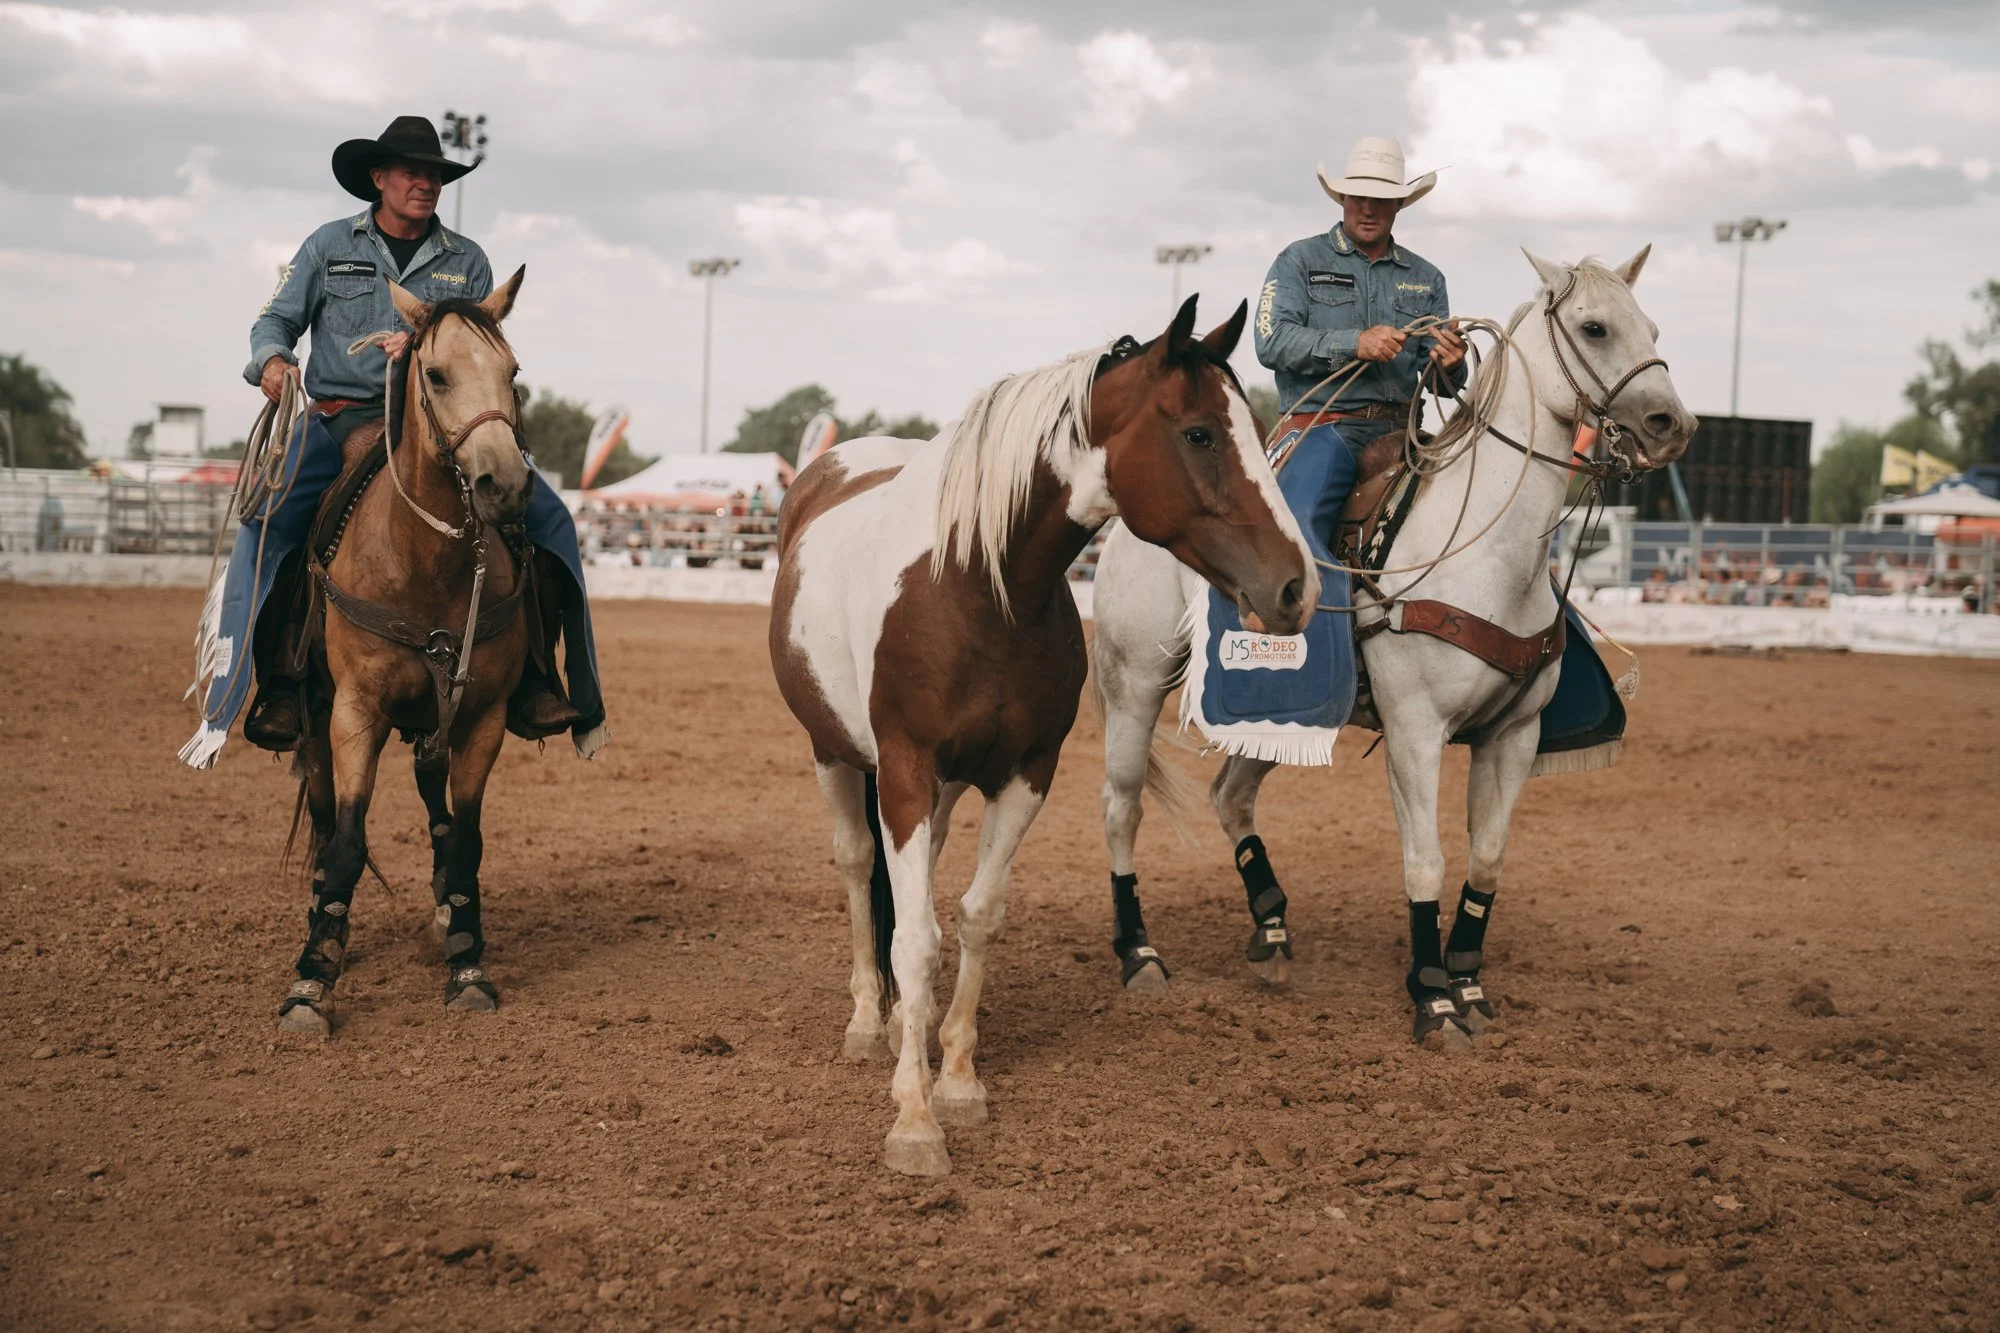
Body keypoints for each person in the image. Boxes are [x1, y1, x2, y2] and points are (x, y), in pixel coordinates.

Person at [183, 116, 603, 768]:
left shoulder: (467, 261)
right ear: (378, 178)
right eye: (412, 172)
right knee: (270, 523)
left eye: (435, 174)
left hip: (442, 429)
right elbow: (276, 319)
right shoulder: (328, 246)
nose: (426, 183)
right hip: (340, 418)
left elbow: (476, 345)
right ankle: (276, 686)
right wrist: (270, 359)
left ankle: (537, 679)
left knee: (545, 522)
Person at [1253, 137, 1468, 554]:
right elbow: (1271, 341)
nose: (1369, 209)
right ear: (1343, 198)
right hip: (1322, 428)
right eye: (1360, 198)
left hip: (1405, 435)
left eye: (1382, 199)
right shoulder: (1298, 260)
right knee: (1299, 538)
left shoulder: (1428, 278)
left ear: (1399, 206)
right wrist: (1355, 344)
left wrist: (1452, 364)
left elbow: (1440, 384)